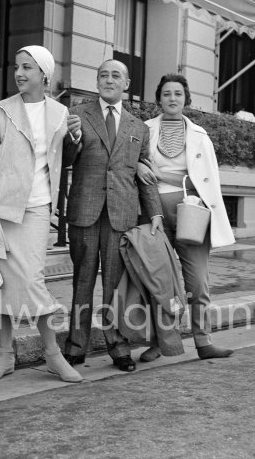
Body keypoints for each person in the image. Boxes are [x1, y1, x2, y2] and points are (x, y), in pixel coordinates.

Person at [0, 45, 83, 383]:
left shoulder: (61, 113)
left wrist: (76, 138)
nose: (19, 73)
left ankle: (51, 354)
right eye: (17, 67)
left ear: (44, 75)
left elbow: (70, 158)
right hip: (0, 208)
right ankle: (5, 355)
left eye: (27, 68)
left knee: (33, 280)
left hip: (37, 209)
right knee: (2, 284)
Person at [63, 59, 164, 372]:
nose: (109, 80)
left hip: (121, 213)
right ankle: (75, 347)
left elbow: (143, 172)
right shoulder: (76, 115)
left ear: (127, 83)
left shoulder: (139, 127)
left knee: (114, 285)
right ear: (97, 82)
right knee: (82, 281)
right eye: (103, 75)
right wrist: (73, 139)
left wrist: (155, 213)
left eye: (115, 75)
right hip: (85, 210)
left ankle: (118, 347)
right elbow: (63, 158)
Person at [137, 73, 235, 362]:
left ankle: (203, 342)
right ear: (159, 98)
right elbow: (135, 165)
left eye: (178, 93)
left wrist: (158, 173)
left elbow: (204, 182)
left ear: (186, 98)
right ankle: (160, 342)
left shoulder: (199, 135)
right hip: (152, 210)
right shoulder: (144, 130)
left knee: (197, 280)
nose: (172, 98)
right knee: (158, 279)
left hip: (191, 211)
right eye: (166, 93)